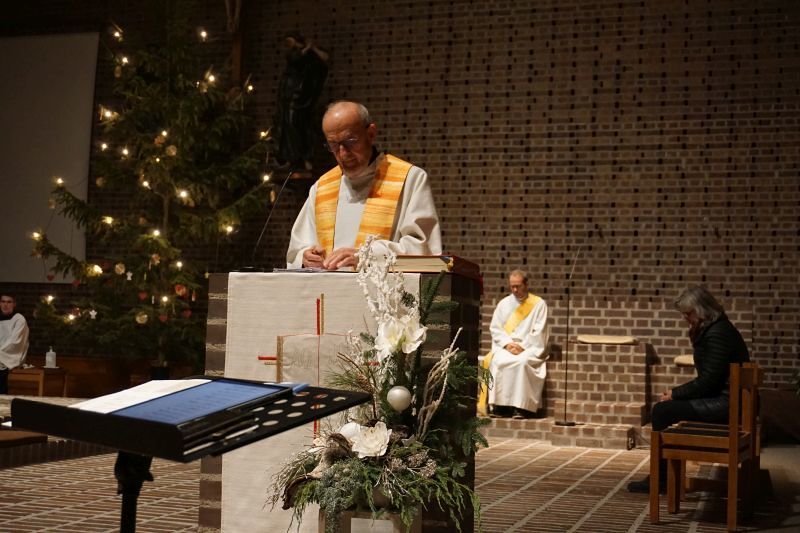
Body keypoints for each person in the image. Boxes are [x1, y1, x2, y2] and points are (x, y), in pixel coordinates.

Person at [286, 101, 442, 270]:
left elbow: (423, 250)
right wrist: (305, 257)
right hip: (329, 286)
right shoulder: (321, 187)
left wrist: (366, 256)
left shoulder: (410, 179)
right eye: (333, 145)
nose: (343, 153)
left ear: (371, 134)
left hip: (383, 287)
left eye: (350, 141)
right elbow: (298, 250)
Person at [627, 285, 750, 493]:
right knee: (667, 407)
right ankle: (664, 476)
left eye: (689, 313)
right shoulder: (717, 328)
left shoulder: (718, 333)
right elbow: (710, 380)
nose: (685, 317)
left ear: (703, 309)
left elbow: (708, 381)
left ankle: (662, 478)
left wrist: (675, 394)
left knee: (662, 410)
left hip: (727, 405)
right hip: (727, 401)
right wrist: (677, 395)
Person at [479, 270, 549, 419]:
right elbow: (495, 328)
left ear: (526, 285)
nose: (515, 290)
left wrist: (522, 347)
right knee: (497, 361)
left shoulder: (538, 304)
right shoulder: (504, 304)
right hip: (508, 346)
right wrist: (507, 344)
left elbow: (539, 331)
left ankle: (521, 407)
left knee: (521, 362)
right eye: (512, 286)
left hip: (529, 347)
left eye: (518, 286)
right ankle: (501, 406)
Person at [0, 294, 29, 394]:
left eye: (9, 302)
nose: (5, 305)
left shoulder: (18, 319)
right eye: (3, 302)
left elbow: (15, 341)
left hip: (11, 356)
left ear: (14, 304)